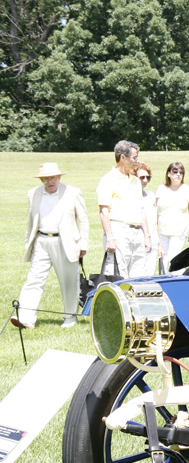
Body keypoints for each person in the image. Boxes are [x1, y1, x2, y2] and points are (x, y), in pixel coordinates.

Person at [13, 163, 90, 329]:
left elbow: (83, 220)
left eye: (53, 177)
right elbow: (30, 221)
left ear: (59, 177)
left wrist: (83, 244)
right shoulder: (33, 193)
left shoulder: (73, 192)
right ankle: (26, 318)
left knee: (69, 282)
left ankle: (70, 317)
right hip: (41, 241)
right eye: (46, 178)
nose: (50, 181)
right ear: (41, 179)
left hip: (66, 242)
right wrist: (30, 243)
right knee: (33, 280)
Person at [97, 140, 153, 278]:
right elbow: (104, 211)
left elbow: (141, 210)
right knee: (118, 275)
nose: (137, 161)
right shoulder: (108, 179)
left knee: (138, 277)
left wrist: (146, 236)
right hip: (119, 231)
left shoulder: (135, 181)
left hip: (137, 233)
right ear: (123, 157)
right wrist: (110, 237)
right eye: (134, 157)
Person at [156, 161, 189, 269]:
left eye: (181, 172)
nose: (178, 174)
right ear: (168, 174)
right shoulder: (161, 189)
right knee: (163, 260)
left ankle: (176, 283)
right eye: (175, 171)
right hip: (162, 231)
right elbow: (155, 212)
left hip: (178, 232)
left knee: (173, 260)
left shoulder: (187, 190)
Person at [134, 163, 161, 274]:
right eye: (142, 177)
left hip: (153, 240)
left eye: (148, 177)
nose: (145, 180)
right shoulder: (131, 196)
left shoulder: (151, 195)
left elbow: (155, 221)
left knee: (149, 274)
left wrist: (159, 244)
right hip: (137, 241)